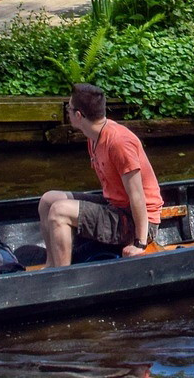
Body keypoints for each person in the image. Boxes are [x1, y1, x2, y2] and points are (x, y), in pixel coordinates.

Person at [37, 83, 164, 266]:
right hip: (114, 206)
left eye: (69, 108)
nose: (67, 111)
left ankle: (63, 279)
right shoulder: (93, 136)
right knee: (48, 200)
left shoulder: (119, 143)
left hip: (138, 222)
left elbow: (137, 195)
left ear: (78, 115)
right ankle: (51, 266)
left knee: (59, 211)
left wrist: (140, 243)